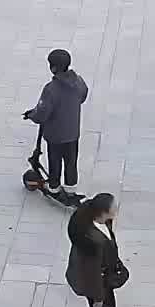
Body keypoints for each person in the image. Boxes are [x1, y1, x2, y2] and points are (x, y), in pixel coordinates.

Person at [61, 193, 124, 307]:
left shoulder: (98, 221)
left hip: (99, 276)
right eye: (113, 207)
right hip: (94, 282)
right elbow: (93, 272)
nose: (116, 208)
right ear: (103, 212)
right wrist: (98, 298)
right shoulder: (94, 239)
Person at [25, 49, 90, 205]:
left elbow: (42, 113)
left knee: (55, 160)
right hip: (73, 132)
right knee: (71, 160)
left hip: (55, 134)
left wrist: (31, 115)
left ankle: (54, 187)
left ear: (53, 67)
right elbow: (83, 95)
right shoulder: (79, 81)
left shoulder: (51, 89)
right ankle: (71, 188)